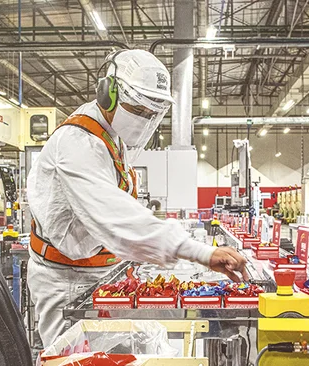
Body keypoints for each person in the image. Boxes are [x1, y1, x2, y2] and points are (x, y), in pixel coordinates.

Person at [26, 49, 249, 349]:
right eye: (139, 109)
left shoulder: (111, 139)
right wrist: (199, 252)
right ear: (108, 93)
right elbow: (117, 218)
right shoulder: (77, 144)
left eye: (151, 114)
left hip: (97, 274)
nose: (144, 121)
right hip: (67, 284)